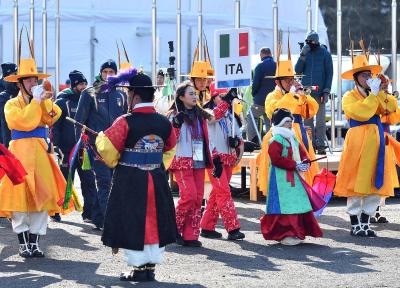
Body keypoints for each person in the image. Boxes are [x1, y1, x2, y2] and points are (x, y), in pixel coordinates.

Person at [95, 70, 177, 282]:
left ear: (135, 96)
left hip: (130, 180)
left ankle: (138, 268)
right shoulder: (164, 122)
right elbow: (170, 149)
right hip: (157, 178)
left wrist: (101, 140)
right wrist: (158, 165)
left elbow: (108, 150)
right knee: (154, 220)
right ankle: (150, 266)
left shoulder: (125, 121)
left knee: (133, 220)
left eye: (129, 94)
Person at [0, 52, 75, 258]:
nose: (34, 82)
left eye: (36, 79)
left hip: (41, 154)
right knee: (19, 201)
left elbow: (53, 117)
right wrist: (35, 102)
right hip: (20, 155)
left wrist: (43, 100)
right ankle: (24, 244)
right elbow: (24, 122)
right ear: (20, 83)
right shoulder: (11, 104)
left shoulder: (39, 100)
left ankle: (35, 243)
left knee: (42, 199)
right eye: (30, 79)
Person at [334, 53, 400, 237]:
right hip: (358, 142)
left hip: (377, 141)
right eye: (363, 75)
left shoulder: (376, 93)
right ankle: (355, 223)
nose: (367, 79)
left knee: (374, 182)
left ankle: (366, 221)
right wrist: (374, 95)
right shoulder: (349, 96)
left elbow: (392, 109)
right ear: (356, 78)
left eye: (369, 75)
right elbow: (361, 112)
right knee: (355, 181)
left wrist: (384, 90)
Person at [168, 81, 227, 247]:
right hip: (182, 160)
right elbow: (171, 141)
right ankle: (174, 230)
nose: (195, 96)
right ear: (181, 97)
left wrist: (216, 159)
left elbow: (208, 139)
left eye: (195, 94)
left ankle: (190, 235)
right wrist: (176, 126)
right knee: (189, 196)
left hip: (198, 159)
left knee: (197, 198)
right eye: (190, 93)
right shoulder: (174, 115)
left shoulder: (201, 115)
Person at [74, 59, 127, 230]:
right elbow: (79, 122)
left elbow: (126, 120)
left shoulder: (121, 94)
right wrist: (82, 146)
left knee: (115, 182)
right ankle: (107, 221)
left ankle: (98, 217)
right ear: (100, 73)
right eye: (105, 72)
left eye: (112, 72)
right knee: (104, 182)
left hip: (117, 147)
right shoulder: (90, 93)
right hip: (96, 146)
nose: (108, 75)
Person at [258, 53, 319, 196]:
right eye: (287, 81)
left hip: (299, 136)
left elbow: (311, 111)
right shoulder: (271, 96)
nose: (291, 83)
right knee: (283, 172)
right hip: (279, 137)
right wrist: (291, 95)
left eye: (292, 80)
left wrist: (304, 96)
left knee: (304, 169)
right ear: (277, 82)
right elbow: (276, 111)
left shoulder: (296, 94)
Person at [260, 108, 323, 245]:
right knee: (285, 206)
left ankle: (296, 232)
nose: (290, 124)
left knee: (298, 203)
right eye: (287, 121)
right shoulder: (275, 139)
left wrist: (305, 162)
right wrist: (295, 164)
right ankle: (285, 233)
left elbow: (302, 152)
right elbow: (276, 159)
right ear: (280, 123)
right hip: (280, 179)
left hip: (294, 176)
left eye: (290, 121)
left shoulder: (292, 137)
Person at [200, 83, 245, 241]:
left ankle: (206, 226)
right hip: (215, 159)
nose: (225, 100)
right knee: (224, 192)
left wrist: (237, 143)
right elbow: (213, 118)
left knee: (217, 193)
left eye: (226, 96)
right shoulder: (207, 112)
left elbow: (239, 136)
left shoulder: (230, 116)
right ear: (213, 97)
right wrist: (227, 102)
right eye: (221, 96)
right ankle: (233, 228)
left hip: (228, 159)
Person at [52, 70, 97, 223]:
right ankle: (55, 211)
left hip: (84, 150)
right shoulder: (61, 101)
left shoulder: (89, 99)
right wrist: (56, 146)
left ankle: (89, 213)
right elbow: (55, 126)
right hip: (66, 150)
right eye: (81, 84)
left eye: (85, 83)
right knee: (62, 181)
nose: (84, 86)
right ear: (74, 85)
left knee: (89, 181)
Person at [295, 30, 333, 155]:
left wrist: (326, 91)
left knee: (321, 121)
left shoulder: (324, 54)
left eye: (310, 41)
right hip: (307, 93)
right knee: (307, 121)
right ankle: (309, 145)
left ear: (316, 41)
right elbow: (297, 71)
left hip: (320, 93)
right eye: (307, 41)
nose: (308, 44)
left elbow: (329, 73)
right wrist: (302, 56)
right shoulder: (305, 53)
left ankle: (321, 145)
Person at [247, 47, 276, 144]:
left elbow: (255, 84)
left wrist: (254, 94)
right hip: (273, 101)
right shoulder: (278, 65)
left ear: (261, 55)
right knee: (269, 122)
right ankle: (270, 143)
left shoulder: (259, 66)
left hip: (260, 101)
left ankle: (252, 141)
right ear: (270, 54)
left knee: (251, 116)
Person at [0, 62, 19, 147]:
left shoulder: (16, 88)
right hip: (7, 139)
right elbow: (5, 123)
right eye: (15, 73)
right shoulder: (6, 93)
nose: (17, 76)